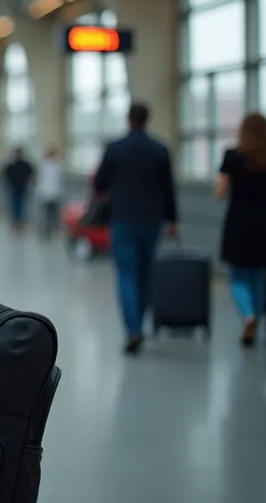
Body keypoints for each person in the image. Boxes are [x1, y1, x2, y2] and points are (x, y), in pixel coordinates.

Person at [93, 102, 178, 354]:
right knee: (146, 273)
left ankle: (133, 330)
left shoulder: (115, 148)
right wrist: (172, 220)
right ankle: (141, 322)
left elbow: (99, 183)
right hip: (152, 220)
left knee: (126, 274)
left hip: (123, 219)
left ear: (129, 119)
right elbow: (169, 189)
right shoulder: (160, 150)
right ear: (147, 119)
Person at [214, 112, 266, 347]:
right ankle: (255, 322)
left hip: (239, 222)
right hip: (265, 222)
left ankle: (248, 316)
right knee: (259, 277)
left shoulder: (232, 157)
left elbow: (220, 192)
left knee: (238, 277)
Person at [2, 147, 35, 234]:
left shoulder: (26, 165)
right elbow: (5, 175)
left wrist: (29, 183)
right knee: (14, 207)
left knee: (22, 207)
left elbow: (31, 175)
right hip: (13, 189)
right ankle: (14, 223)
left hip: (23, 189)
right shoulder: (11, 165)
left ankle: (21, 224)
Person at [35, 144, 65, 239]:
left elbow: (59, 180)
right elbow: (41, 180)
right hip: (45, 193)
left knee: (54, 214)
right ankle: (45, 232)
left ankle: (54, 231)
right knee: (45, 214)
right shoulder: (44, 165)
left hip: (55, 193)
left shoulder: (57, 166)